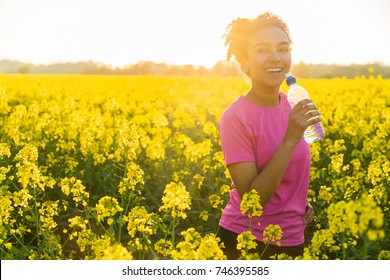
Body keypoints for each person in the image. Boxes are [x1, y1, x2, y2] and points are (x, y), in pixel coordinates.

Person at [216, 12, 318, 259]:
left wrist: (297, 203)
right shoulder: (235, 117)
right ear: (245, 62)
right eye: (262, 50)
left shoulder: (294, 105)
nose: (276, 57)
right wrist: (291, 138)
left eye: (283, 49)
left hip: (294, 238)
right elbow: (253, 201)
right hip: (246, 240)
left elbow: (290, 174)